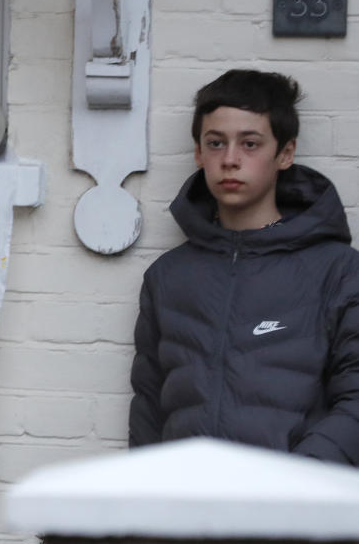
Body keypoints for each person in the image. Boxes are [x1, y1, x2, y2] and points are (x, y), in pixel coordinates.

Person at [129, 69, 359, 464]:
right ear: (198, 154)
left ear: (285, 153)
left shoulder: (336, 270)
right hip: (187, 511)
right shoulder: (167, 277)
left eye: (250, 144)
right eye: (215, 143)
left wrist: (300, 479)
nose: (230, 160)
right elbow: (148, 406)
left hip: (297, 511)